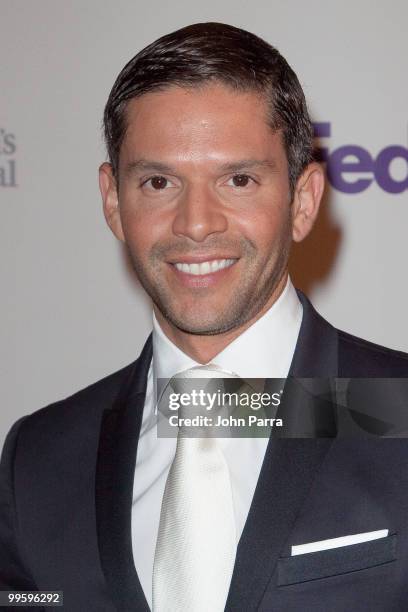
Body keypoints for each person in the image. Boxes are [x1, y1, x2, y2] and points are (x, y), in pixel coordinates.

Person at [1, 22, 408, 612]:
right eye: (159, 181)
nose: (196, 223)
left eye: (238, 180)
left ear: (303, 201)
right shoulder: (40, 458)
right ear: (114, 202)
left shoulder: (395, 411)